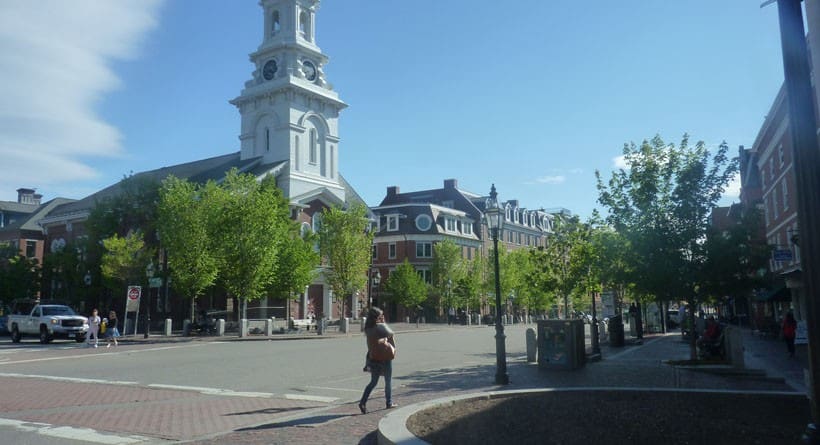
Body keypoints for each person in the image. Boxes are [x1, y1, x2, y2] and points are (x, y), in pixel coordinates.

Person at [359, 307, 397, 414]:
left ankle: (363, 401)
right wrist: (384, 323)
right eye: (380, 315)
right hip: (384, 356)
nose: (381, 317)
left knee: (373, 382)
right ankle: (389, 402)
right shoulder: (380, 327)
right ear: (376, 317)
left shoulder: (368, 328)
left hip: (373, 357)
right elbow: (391, 334)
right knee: (388, 381)